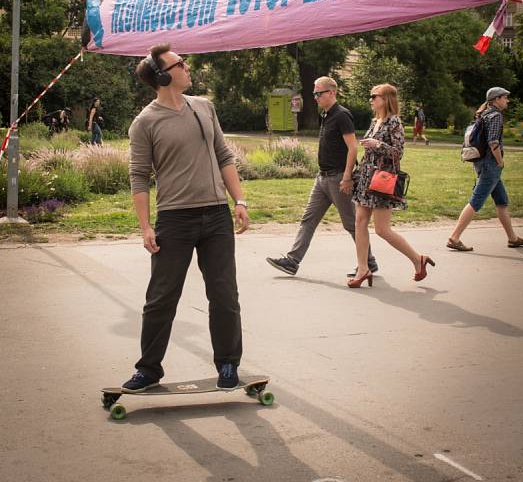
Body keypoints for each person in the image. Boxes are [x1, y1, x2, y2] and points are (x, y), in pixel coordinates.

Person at [121, 44, 249, 393]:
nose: (187, 66)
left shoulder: (204, 108)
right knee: (161, 297)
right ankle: (148, 369)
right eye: (180, 63)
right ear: (162, 75)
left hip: (216, 216)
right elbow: (139, 176)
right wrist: (146, 226)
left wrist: (240, 200)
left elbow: (224, 155)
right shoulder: (145, 122)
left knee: (224, 293)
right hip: (175, 220)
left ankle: (227, 363)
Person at [266, 76, 378, 278]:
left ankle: (368, 263)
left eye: (319, 93)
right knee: (308, 219)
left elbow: (353, 148)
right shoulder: (326, 115)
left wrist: (347, 178)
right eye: (314, 94)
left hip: (337, 179)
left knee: (352, 224)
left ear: (332, 92)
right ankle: (292, 261)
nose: (316, 97)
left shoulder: (342, 115)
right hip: (322, 179)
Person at [349, 83, 434, 288]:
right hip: (367, 178)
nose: (371, 99)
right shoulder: (375, 121)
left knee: (382, 230)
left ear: (386, 99)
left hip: (382, 180)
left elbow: (398, 153)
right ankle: (363, 269)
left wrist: (378, 145)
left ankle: (417, 259)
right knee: (359, 222)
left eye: (374, 96)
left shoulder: (394, 123)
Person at [447, 87, 523, 252]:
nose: (507, 100)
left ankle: (512, 238)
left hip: (481, 162)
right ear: (496, 99)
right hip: (490, 165)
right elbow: (493, 142)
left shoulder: (483, 114)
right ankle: (454, 237)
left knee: (502, 201)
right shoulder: (496, 115)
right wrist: (500, 161)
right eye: (505, 98)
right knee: (476, 201)